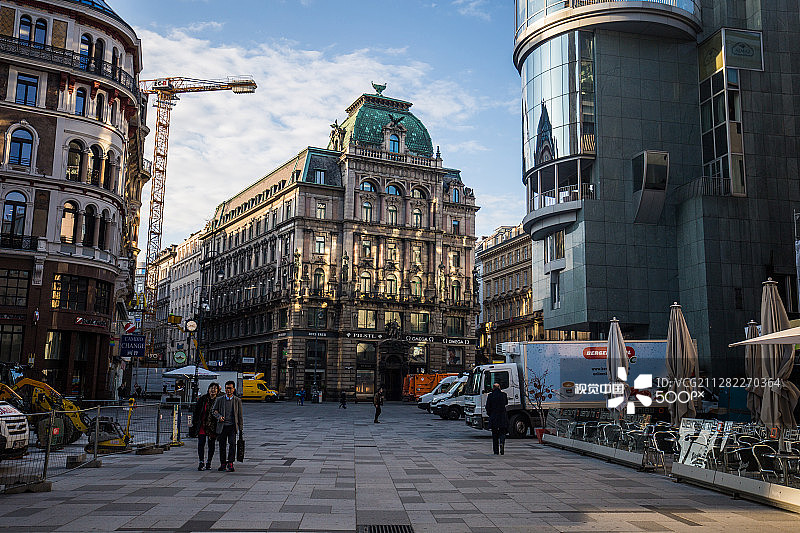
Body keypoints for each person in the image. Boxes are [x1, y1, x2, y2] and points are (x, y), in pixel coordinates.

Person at [212, 380, 244, 472]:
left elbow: (240, 415)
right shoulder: (219, 399)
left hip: (232, 426)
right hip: (222, 426)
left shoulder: (237, 400)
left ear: (233, 389)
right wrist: (219, 417)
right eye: (226, 388)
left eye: (230, 388)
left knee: (232, 444)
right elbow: (214, 410)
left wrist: (241, 428)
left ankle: (230, 462)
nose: (228, 390)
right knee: (222, 445)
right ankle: (223, 463)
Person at [191, 382, 220, 471]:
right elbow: (196, 411)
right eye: (211, 388)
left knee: (211, 445)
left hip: (212, 426)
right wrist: (194, 423)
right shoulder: (203, 399)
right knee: (201, 443)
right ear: (208, 389)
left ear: (218, 391)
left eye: (215, 388)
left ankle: (209, 462)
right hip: (202, 425)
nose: (213, 390)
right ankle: (201, 461)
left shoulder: (218, 400)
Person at [485, 382, 509, 455]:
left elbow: (487, 407)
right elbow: (506, 403)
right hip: (502, 416)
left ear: (493, 388)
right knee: (503, 431)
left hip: (494, 416)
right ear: (499, 387)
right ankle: (502, 442)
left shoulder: (490, 395)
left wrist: (490, 414)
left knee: (494, 434)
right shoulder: (504, 395)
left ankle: (496, 451)